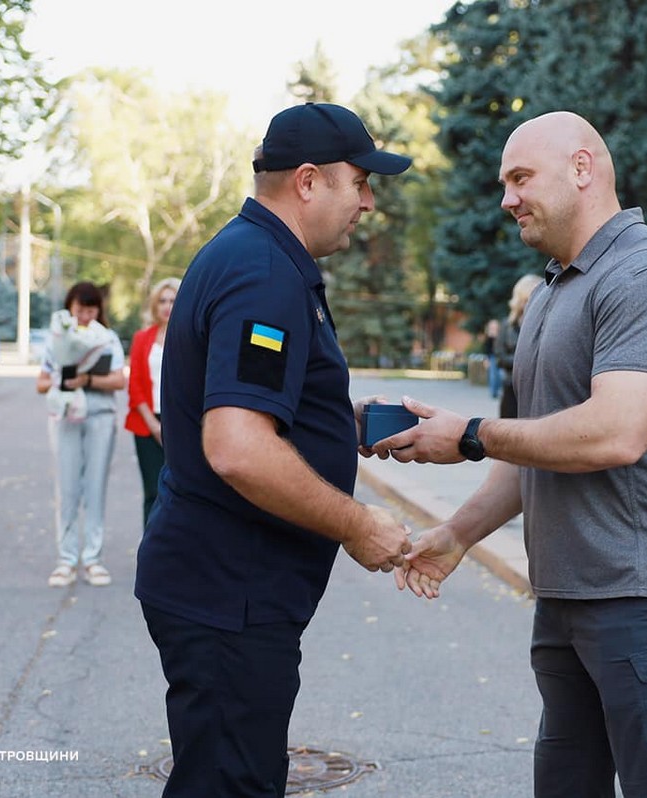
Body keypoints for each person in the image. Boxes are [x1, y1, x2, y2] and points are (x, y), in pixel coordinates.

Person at [370, 111, 647, 797]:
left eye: (520, 178)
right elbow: (536, 446)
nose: (506, 198)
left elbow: (614, 432)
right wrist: (458, 533)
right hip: (569, 595)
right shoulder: (550, 291)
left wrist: (473, 434)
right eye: (504, 183)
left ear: (581, 168)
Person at [134, 102, 415, 798]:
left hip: (228, 592)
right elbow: (238, 447)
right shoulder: (263, 272)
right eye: (361, 182)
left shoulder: (260, 256)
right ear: (311, 181)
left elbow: (259, 409)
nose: (369, 202)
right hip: (229, 595)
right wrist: (359, 524)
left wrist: (347, 424)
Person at [36, 282, 126, 588]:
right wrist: (63, 380)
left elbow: (117, 380)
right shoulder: (57, 338)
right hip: (65, 417)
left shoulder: (107, 339)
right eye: (79, 309)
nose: (85, 315)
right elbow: (41, 382)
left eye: (91, 309)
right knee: (67, 488)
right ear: (70, 308)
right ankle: (66, 559)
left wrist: (88, 379)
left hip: (99, 416)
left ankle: (93, 559)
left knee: (95, 487)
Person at [125, 277, 181, 527]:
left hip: (180, 422)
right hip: (146, 424)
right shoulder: (142, 338)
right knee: (152, 490)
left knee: (181, 491)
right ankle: (151, 549)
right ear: (155, 306)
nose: (167, 306)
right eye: (162, 301)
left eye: (173, 300)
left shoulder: (189, 337)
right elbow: (135, 384)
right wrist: (153, 425)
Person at [495, 273, 543, 418]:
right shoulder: (507, 326)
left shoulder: (545, 323)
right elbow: (500, 358)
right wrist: (525, 361)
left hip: (538, 390)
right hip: (512, 388)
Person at [483, 318, 502, 399]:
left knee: (500, 374)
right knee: (492, 374)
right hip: (492, 357)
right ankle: (493, 392)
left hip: (500, 357)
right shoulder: (488, 336)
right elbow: (486, 349)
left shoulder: (501, 335)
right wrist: (486, 359)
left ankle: (497, 390)